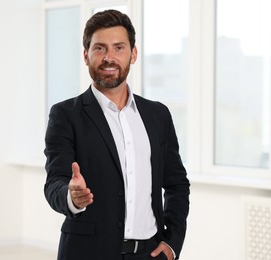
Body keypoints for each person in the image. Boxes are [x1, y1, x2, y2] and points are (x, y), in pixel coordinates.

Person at [44, 9, 190, 260]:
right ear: (85, 55)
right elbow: (54, 182)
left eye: (118, 48)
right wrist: (72, 197)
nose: (109, 57)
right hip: (86, 253)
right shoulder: (65, 115)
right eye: (99, 48)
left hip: (150, 254)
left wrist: (172, 242)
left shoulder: (158, 116)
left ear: (133, 54)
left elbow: (177, 184)